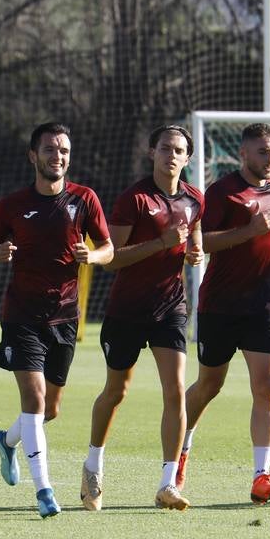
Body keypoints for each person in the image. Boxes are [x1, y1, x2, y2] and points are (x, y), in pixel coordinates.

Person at [0, 122, 114, 518]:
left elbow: (107, 247)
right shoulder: (12, 204)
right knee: (34, 400)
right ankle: (44, 492)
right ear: (33, 156)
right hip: (21, 316)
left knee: (49, 409)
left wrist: (94, 257)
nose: (59, 156)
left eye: (64, 150)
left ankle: (7, 441)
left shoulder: (84, 199)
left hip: (65, 318)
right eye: (51, 149)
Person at [80, 124, 204, 511]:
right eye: (164, 148)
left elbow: (194, 237)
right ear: (152, 153)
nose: (171, 155)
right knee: (116, 392)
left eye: (178, 150)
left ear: (188, 157)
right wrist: (160, 244)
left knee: (175, 389)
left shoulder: (195, 199)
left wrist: (194, 252)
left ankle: (168, 483)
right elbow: (112, 258)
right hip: (127, 310)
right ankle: (92, 465)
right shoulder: (134, 199)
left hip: (171, 308)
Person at [180, 122, 270, 505]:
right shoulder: (221, 193)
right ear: (243, 153)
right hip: (221, 305)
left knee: (266, 389)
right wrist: (249, 230)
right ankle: (179, 448)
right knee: (209, 386)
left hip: (264, 305)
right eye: (263, 152)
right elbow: (202, 240)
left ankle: (262, 475)